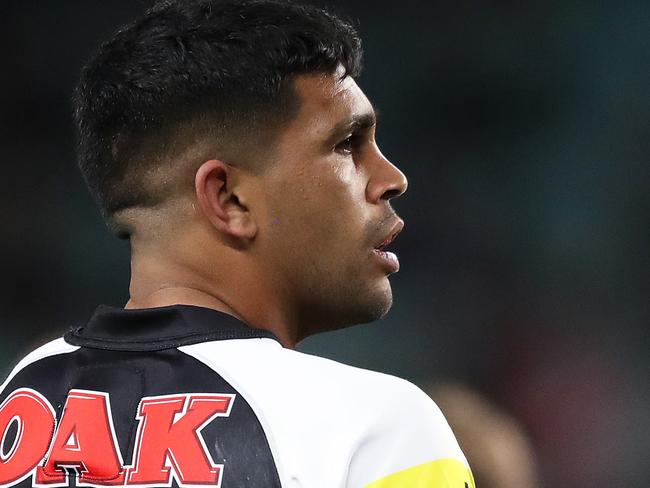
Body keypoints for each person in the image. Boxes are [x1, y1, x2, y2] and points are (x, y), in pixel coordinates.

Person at [0, 1, 474, 486]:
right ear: (229, 199)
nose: (392, 179)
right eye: (347, 144)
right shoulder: (375, 432)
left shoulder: (18, 400)